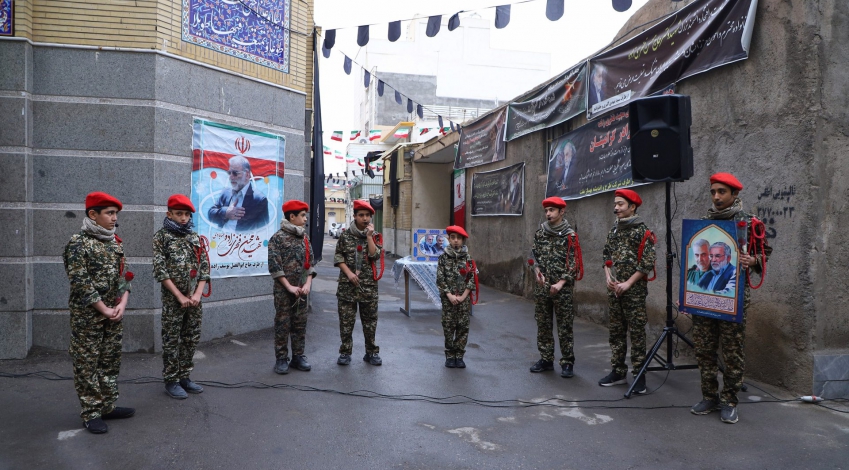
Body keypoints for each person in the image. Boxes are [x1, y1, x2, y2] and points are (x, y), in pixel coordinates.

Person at [689, 172, 771, 424]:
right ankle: (709, 397)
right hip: (704, 298)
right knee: (704, 350)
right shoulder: (703, 222)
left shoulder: (749, 222)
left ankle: (730, 400)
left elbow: (764, 251)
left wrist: (753, 259)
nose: (716, 196)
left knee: (732, 351)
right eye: (713, 191)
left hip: (731, 300)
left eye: (722, 192)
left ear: (735, 194)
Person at [63, 192, 135, 434]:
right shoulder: (78, 243)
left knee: (109, 362)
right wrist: (103, 309)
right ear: (93, 215)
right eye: (109, 213)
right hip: (88, 318)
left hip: (113, 314)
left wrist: (122, 303)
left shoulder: (115, 242)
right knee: (87, 364)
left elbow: (125, 276)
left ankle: (107, 406)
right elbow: (80, 281)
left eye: (116, 214)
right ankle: (91, 413)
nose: (114, 218)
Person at [153, 194, 210, 399]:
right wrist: (179, 296)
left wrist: (196, 295)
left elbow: (204, 268)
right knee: (171, 339)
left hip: (194, 300)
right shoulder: (161, 237)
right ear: (169, 214)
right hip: (173, 300)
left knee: (191, 337)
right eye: (179, 214)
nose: (184, 218)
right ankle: (171, 379)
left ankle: (185, 375)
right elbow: (161, 271)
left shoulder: (194, 237)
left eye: (187, 214)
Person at [599, 189, 656, 394]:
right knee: (616, 332)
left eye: (621, 204)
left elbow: (647, 263)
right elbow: (606, 256)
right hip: (615, 290)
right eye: (615, 204)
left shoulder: (642, 231)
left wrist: (628, 284)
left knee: (637, 333)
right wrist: (608, 277)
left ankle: (639, 376)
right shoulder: (614, 230)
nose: (616, 208)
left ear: (632, 207)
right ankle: (618, 372)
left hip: (633, 292)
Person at [530, 197, 581, 378]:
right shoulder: (540, 233)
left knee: (564, 326)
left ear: (562, 212)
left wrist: (560, 284)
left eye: (552, 210)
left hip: (562, 290)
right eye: (546, 211)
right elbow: (534, 257)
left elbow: (574, 264)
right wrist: (537, 272)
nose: (548, 214)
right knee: (543, 324)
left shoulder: (570, 236)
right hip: (543, 288)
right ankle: (546, 359)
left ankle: (567, 362)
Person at [268, 200, 316, 374]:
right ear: (292, 216)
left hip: (302, 291)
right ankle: (281, 358)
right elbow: (275, 266)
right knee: (283, 323)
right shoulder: (277, 238)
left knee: (300, 324)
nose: (305, 219)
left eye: (305, 216)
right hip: (284, 291)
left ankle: (298, 356)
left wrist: (308, 283)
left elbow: (309, 263)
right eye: (302, 216)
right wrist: (289, 287)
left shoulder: (304, 238)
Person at [334, 200, 383, 366]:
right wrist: (348, 273)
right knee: (346, 322)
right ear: (354, 216)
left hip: (368, 288)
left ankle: (371, 352)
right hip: (348, 287)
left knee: (370, 323)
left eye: (367, 215)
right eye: (361, 215)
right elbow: (338, 257)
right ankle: (345, 352)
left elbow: (374, 255)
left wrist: (369, 237)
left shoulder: (375, 236)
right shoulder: (346, 236)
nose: (365, 218)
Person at [436, 225, 476, 368]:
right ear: (449, 239)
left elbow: (472, 279)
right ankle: (450, 355)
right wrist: (449, 295)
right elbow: (440, 278)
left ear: (463, 240)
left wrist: (464, 296)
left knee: (462, 327)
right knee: (448, 327)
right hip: (448, 301)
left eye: (459, 238)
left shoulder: (468, 258)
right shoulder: (443, 258)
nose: (456, 241)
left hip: (463, 301)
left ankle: (459, 356)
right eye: (453, 238)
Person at [207, 156, 270, 232]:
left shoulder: (259, 200)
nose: (231, 177)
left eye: (235, 173)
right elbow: (210, 214)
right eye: (229, 173)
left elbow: (264, 229)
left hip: (244, 242)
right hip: (221, 241)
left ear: (247, 174)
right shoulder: (226, 192)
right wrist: (226, 212)